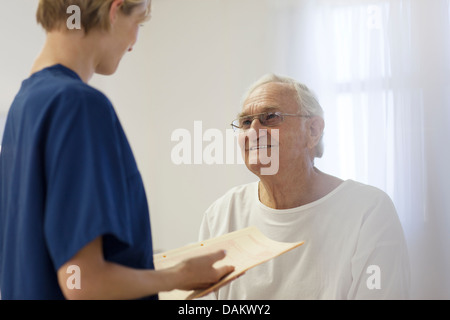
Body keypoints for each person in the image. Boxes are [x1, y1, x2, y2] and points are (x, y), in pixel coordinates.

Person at [0, 0, 233, 300]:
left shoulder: (24, 106)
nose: (134, 42)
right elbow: (81, 282)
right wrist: (179, 276)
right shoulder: (78, 105)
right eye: (138, 23)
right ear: (114, 10)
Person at [198, 73, 410, 299]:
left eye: (270, 117)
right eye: (246, 122)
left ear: (313, 131)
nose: (253, 131)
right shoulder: (220, 215)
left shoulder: (369, 211)